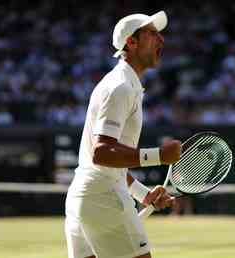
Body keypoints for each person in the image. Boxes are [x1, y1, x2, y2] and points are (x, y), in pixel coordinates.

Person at [65, 11, 182, 258]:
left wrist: (144, 195)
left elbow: (107, 163)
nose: (161, 40)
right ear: (132, 42)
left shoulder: (123, 84)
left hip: (84, 197)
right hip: (102, 197)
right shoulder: (120, 87)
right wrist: (159, 155)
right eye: (152, 34)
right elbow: (101, 153)